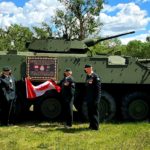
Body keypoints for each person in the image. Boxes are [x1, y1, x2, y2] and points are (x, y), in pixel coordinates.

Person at [84, 64, 101, 130]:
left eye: (86, 68)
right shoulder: (88, 76)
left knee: (94, 113)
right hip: (89, 98)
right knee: (90, 113)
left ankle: (96, 127)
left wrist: (97, 99)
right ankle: (91, 125)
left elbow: (98, 89)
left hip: (94, 99)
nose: (85, 69)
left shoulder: (95, 76)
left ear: (90, 68)